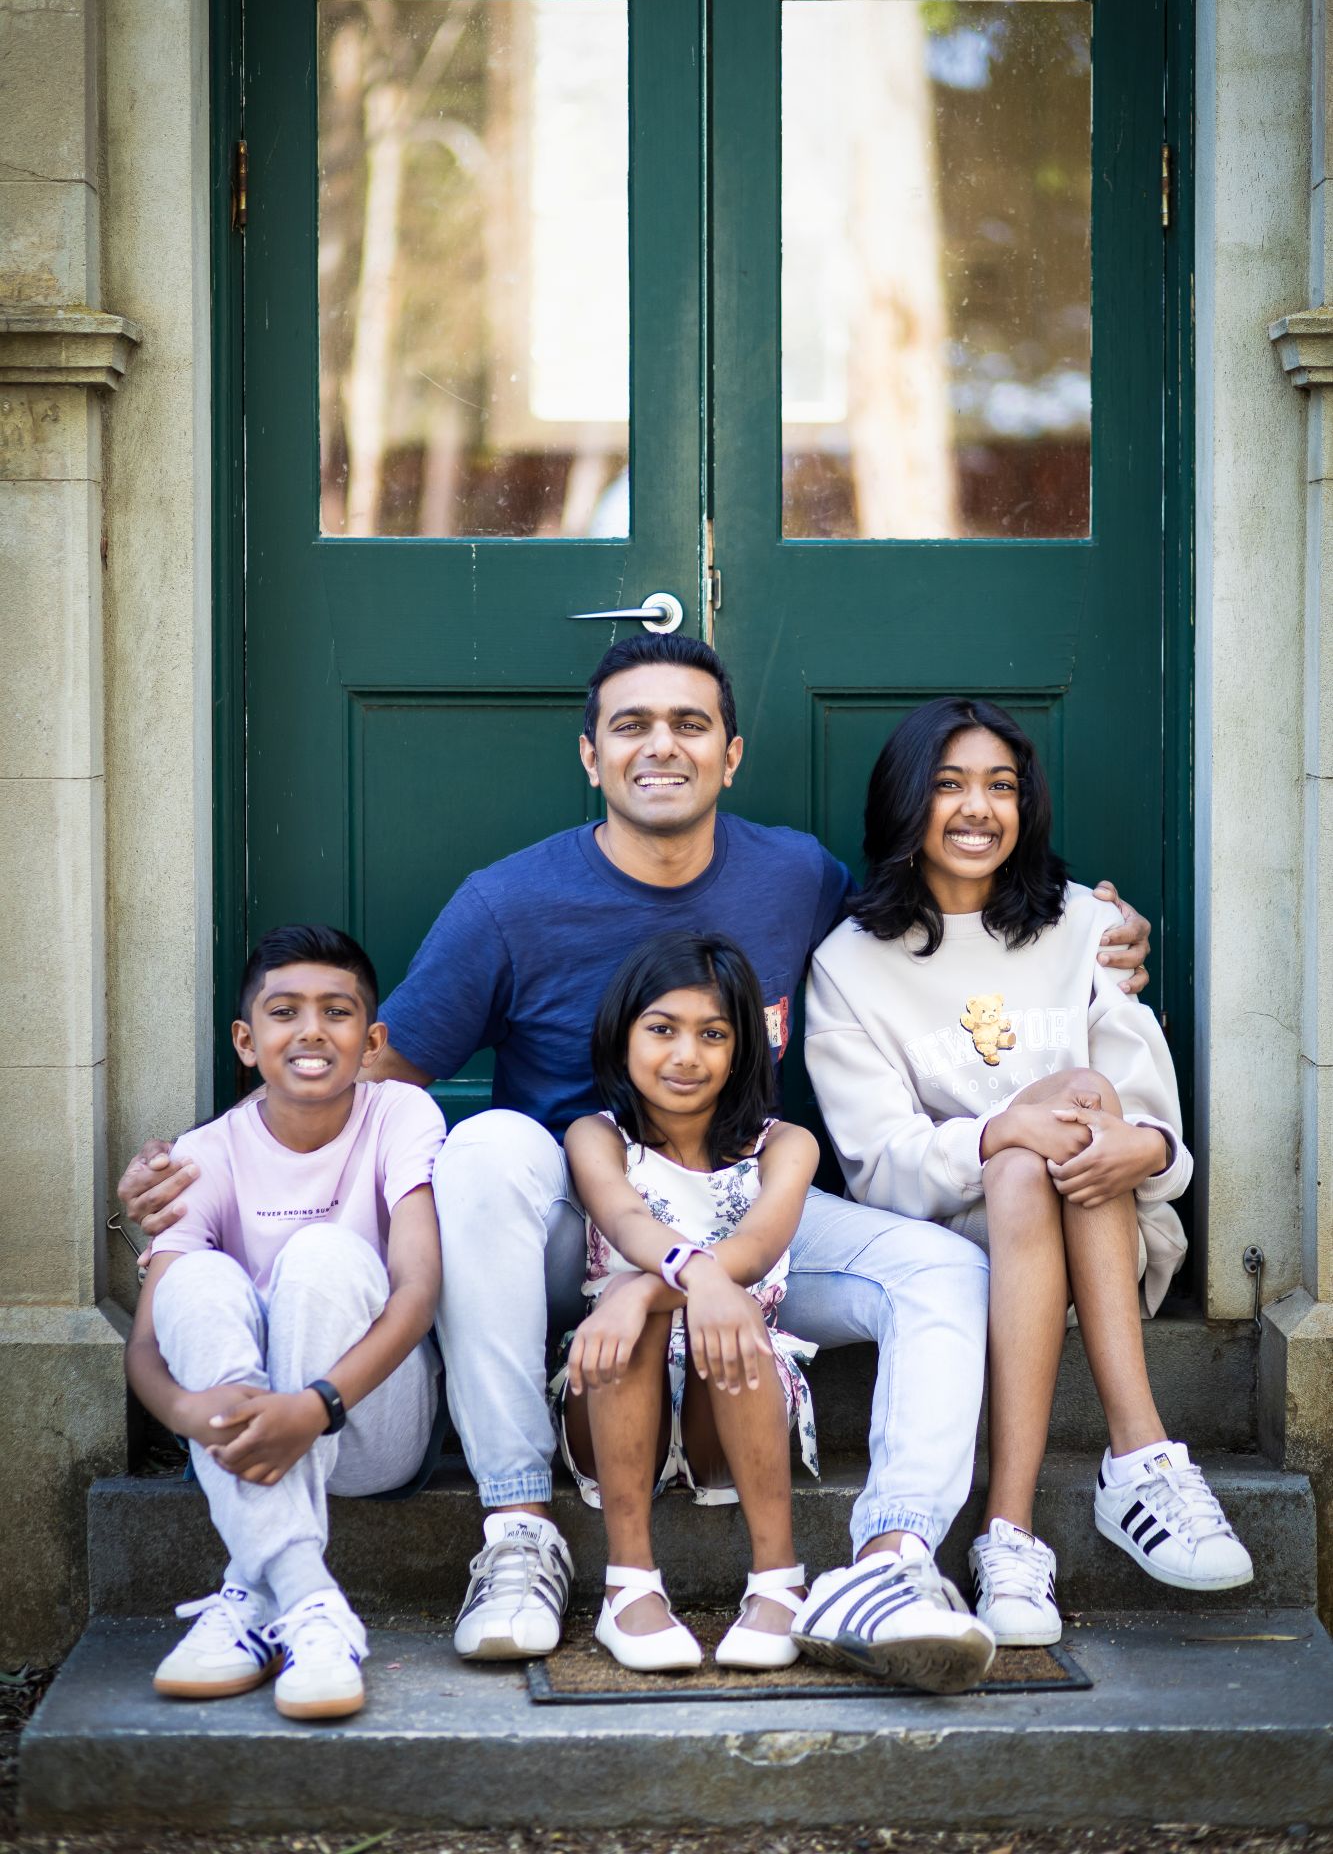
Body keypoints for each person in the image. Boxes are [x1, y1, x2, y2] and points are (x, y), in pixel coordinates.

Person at [117, 635, 1151, 1690]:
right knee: (482, 1146)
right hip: (579, 1214)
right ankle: (518, 1522)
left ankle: (889, 1557)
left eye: (689, 723)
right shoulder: (506, 901)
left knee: (943, 1268)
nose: (662, 745)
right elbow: (365, 1064)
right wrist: (212, 1158)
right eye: (632, 724)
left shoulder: (798, 875)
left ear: (731, 754)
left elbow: (925, 929)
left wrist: (1089, 930)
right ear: (590, 753)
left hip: (755, 1199)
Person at [803, 698, 1253, 1651]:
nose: (978, 809)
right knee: (1017, 1164)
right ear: (904, 802)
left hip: (1104, 1227)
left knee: (1085, 1091)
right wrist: (1003, 1132)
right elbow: (878, 1165)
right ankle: (1009, 1531)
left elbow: (1144, 1115)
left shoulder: (1078, 921)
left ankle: (1135, 1456)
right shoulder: (848, 963)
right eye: (949, 785)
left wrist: (1154, 1150)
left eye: (1000, 787)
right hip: (960, 1240)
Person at [124, 925, 445, 1720]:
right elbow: (147, 1343)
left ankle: (250, 1594)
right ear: (245, 1040)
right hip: (246, 1433)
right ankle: (303, 1601)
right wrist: (180, 1410)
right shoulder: (204, 1155)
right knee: (194, 1277)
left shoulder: (400, 1114)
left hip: (369, 1427)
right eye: (284, 1012)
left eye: (336, 1013)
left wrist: (319, 1405)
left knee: (322, 1256)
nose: (310, 1031)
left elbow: (416, 1292)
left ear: (370, 1042)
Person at [558, 932, 822, 1674]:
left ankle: (777, 1580)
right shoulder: (596, 1138)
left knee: (716, 1323)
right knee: (632, 1328)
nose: (685, 1055)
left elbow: (759, 1245)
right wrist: (681, 1280)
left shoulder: (785, 1145)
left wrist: (648, 1288)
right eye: (661, 1029)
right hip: (613, 1395)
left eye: (712, 1034)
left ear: (743, 1050)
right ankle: (629, 1587)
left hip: (734, 1397)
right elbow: (626, 1220)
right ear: (622, 1036)